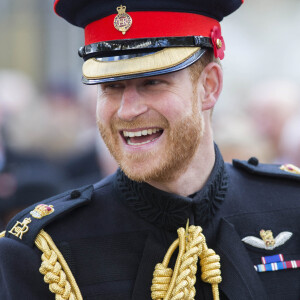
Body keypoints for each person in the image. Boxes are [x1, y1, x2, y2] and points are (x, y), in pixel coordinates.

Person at [0, 1, 299, 300]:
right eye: (111, 87)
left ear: (209, 86)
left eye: (153, 82)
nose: (128, 111)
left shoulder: (291, 207)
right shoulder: (42, 252)